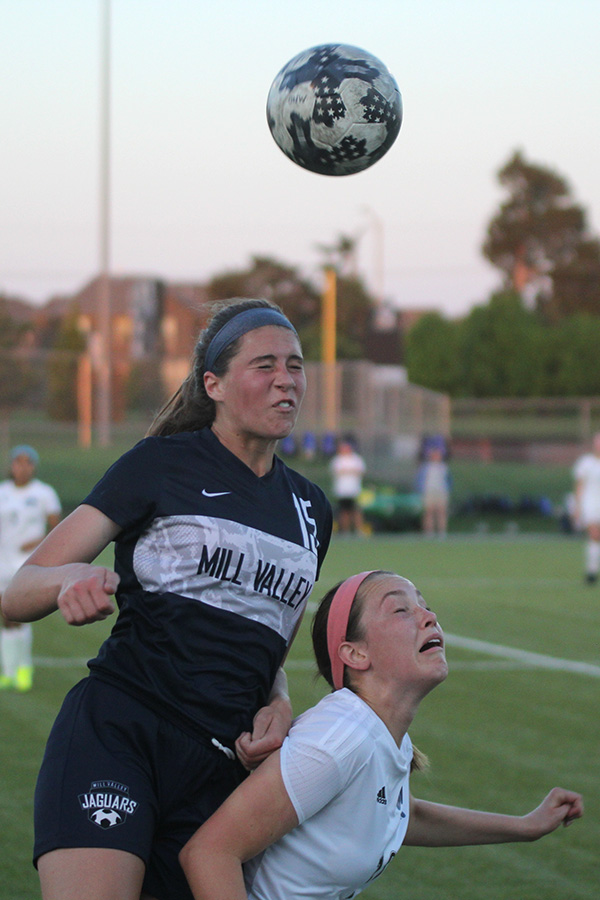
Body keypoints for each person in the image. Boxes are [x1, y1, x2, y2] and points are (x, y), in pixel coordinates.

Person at [1, 298, 333, 900]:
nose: (286, 379)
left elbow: (266, 645)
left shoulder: (312, 512)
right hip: (119, 734)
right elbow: (17, 591)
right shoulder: (158, 466)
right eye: (264, 365)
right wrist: (67, 580)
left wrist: (280, 704)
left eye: (295, 364)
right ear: (215, 384)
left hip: (220, 774)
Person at [179, 569, 583, 900]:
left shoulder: (380, 737)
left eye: (426, 606)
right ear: (355, 654)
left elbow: (398, 815)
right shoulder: (338, 739)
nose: (428, 617)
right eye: (401, 610)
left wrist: (524, 826)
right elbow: (210, 853)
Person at [0, 445, 61, 692]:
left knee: (20, 616)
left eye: (27, 462)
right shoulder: (3, 491)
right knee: (5, 617)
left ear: (33, 466)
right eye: (18, 462)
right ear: (12, 465)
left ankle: (24, 668)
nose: (22, 467)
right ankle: (8, 670)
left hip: (26, 564)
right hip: (3, 561)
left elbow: (56, 528)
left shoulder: (44, 492)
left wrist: (36, 542)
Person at [572, 431, 600, 583]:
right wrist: (577, 507)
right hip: (590, 504)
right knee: (594, 534)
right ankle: (592, 571)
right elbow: (579, 486)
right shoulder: (585, 462)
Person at [416, 436, 452, 537]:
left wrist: (448, 489)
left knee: (441, 512)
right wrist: (420, 490)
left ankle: (442, 532)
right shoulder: (425, 467)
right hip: (429, 491)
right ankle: (429, 533)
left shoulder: (444, 467)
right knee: (428, 512)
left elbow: (448, 480)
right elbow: (420, 480)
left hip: (441, 491)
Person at [330, 436, 366, 534]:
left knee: (356, 511)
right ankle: (345, 531)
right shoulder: (337, 460)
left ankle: (358, 530)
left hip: (354, 490)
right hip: (342, 491)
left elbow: (359, 471)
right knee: (343, 511)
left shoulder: (356, 459)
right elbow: (337, 471)